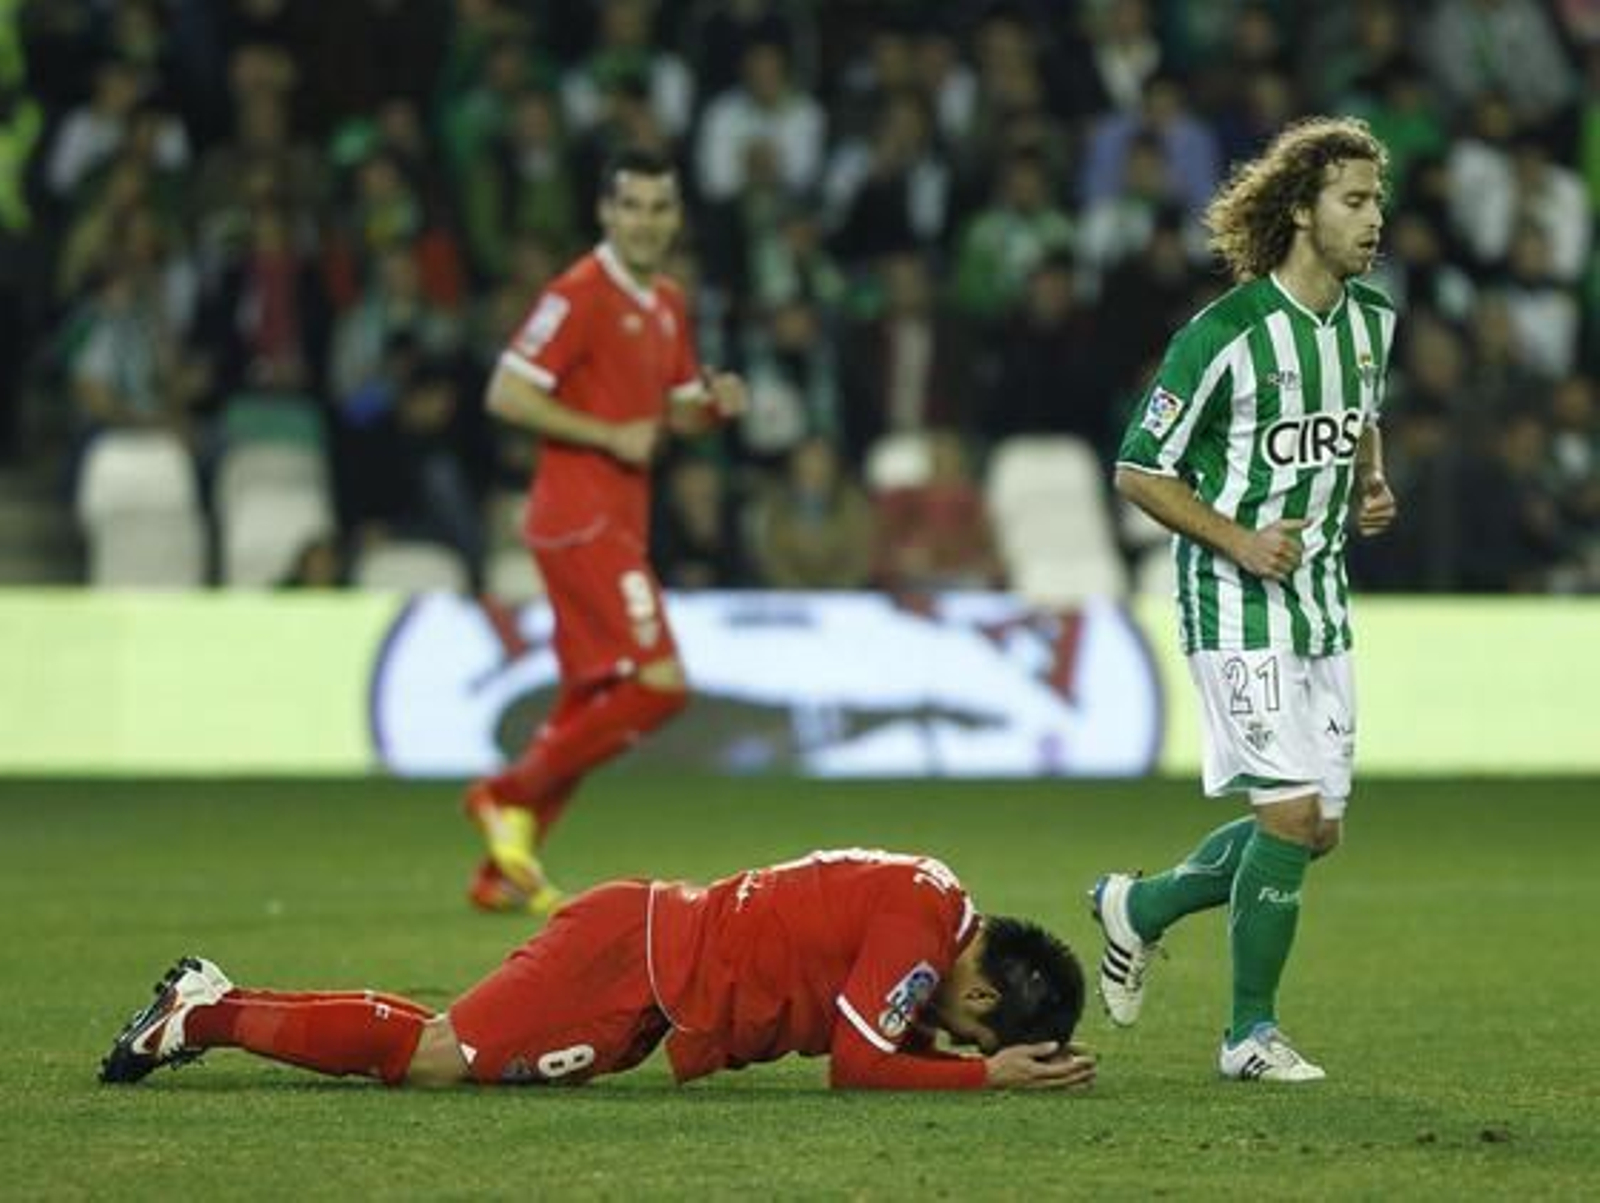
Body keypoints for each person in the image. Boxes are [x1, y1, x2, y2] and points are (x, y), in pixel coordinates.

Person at [1100, 116, 1398, 1083]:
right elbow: (1140, 470)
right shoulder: (1221, 335)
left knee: (1319, 831)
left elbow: (1359, 413)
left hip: (1319, 599)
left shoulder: (1372, 321)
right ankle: (1248, 1035)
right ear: (1303, 211)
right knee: (1286, 812)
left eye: (1377, 201)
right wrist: (1238, 538)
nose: (1373, 219)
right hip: (1232, 598)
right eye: (1353, 201)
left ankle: (1135, 911)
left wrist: (1368, 483)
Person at [100, 848, 1095, 1093]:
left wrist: (972, 1057)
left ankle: (208, 1002)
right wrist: (982, 1074)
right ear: (982, 993)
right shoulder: (922, 926)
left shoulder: (931, 905)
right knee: (435, 1057)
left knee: (443, 1048)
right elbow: (857, 1064)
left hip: (651, 976)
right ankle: (204, 1014)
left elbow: (867, 1020)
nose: (951, 1036)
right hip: (632, 956)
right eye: (970, 1029)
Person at [463, 149, 746, 915]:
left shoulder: (668, 302)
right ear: (605, 213)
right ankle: (501, 794)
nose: (646, 221)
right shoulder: (578, 293)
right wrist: (607, 432)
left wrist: (713, 404)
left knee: (587, 703)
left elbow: (678, 412)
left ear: (675, 216)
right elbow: (509, 392)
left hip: (617, 519)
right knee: (659, 686)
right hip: (579, 516)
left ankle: (502, 866)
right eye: (633, 207)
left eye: (660, 207)